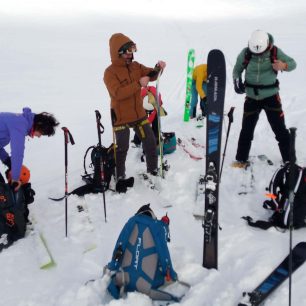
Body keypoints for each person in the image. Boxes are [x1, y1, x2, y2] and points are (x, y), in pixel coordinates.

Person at [103, 33, 166, 191]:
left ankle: (152, 170)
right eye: (127, 51)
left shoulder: (136, 66)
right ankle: (120, 176)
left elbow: (151, 75)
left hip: (138, 114)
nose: (131, 54)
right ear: (118, 52)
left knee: (150, 141)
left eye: (132, 51)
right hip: (121, 116)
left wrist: (158, 68)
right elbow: (117, 93)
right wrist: (138, 83)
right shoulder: (110, 73)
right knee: (122, 147)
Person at [232, 30, 296, 168]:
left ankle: (289, 160)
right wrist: (236, 80)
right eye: (255, 52)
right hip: (251, 98)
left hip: (271, 97)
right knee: (246, 130)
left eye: (260, 52)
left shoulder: (275, 52)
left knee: (280, 129)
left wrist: (283, 65)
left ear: (267, 45)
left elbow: (293, 63)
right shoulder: (246, 53)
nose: (257, 54)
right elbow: (237, 69)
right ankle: (241, 159)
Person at [0, 107, 59, 190]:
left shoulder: (20, 121)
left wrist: (6, 160)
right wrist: (15, 179)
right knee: (1, 189)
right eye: (41, 133)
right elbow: (17, 153)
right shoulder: (20, 124)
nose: (39, 136)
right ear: (38, 125)